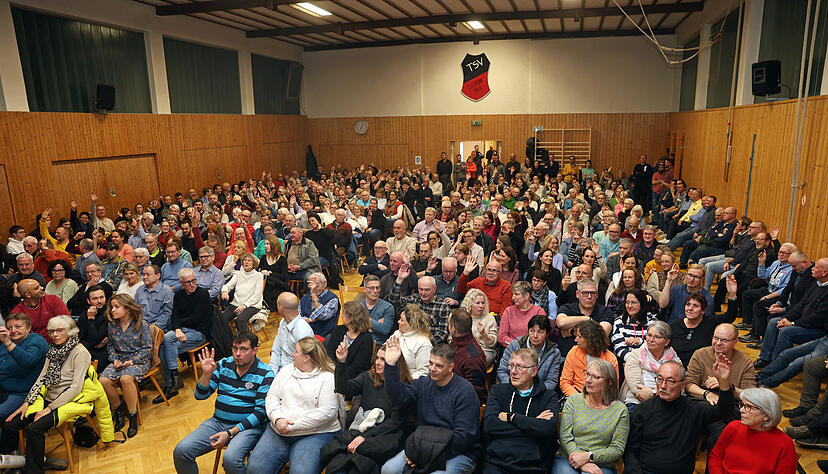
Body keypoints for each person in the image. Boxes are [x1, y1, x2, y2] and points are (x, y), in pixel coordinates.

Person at [0, 315, 114, 473]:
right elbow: (41, 378)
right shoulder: (53, 349)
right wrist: (27, 402)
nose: (55, 335)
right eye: (52, 331)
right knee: (9, 426)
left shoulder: (80, 352)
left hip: (69, 401)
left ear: (71, 331)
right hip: (48, 397)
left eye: (60, 330)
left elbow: (75, 388)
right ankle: (12, 465)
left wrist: (49, 409)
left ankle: (35, 470)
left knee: (34, 429)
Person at [173, 333, 274, 474]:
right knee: (181, 451)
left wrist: (230, 433)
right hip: (217, 422)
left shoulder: (266, 373)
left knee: (230, 459)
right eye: (235, 348)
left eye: (243, 349)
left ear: (255, 350)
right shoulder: (223, 364)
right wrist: (206, 375)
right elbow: (200, 396)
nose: (237, 354)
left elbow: (260, 413)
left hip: (247, 428)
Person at [381, 340, 480, 474]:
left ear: (450, 367)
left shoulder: (465, 391)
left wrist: (426, 457)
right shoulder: (424, 383)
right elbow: (399, 398)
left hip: (457, 452)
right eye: (431, 363)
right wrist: (391, 365)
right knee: (388, 469)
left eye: (439, 365)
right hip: (424, 444)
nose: (432, 369)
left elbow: (463, 438)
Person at [623, 357, 734, 474]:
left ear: (682, 385)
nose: (663, 386)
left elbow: (724, 411)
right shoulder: (643, 410)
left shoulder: (694, 409)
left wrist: (724, 382)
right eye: (660, 379)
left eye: (670, 381)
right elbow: (630, 451)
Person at [247, 337, 341, 474]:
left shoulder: (327, 378)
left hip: (315, 433)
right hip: (279, 430)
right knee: (255, 468)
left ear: (306, 358)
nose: (292, 353)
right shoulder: (286, 370)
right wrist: (278, 419)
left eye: (296, 351)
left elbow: (327, 412)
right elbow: (272, 397)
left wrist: (292, 426)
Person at [320, 342, 412, 473]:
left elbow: (394, 423)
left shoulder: (403, 388)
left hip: (384, 436)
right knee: (336, 465)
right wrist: (341, 362)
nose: (378, 362)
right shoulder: (368, 377)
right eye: (377, 358)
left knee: (359, 465)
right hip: (360, 430)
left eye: (383, 359)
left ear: (394, 363)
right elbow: (343, 388)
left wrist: (364, 437)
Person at [483, 347, 559, 473]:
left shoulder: (549, 397)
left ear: (533, 371)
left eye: (520, 367)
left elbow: (548, 429)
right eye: (511, 366)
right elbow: (490, 425)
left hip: (532, 465)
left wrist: (511, 418)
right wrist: (533, 423)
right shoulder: (498, 391)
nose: (513, 371)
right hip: (498, 463)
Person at [555, 359, 628, 474]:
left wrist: (589, 457)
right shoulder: (573, 401)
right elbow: (565, 437)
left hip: (601, 463)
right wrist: (580, 460)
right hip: (568, 457)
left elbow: (617, 448)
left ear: (609, 382)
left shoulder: (620, 410)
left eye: (596, 377)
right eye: (588, 374)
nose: (588, 380)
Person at [98, 294, 152, 438]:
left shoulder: (141, 324)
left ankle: (133, 415)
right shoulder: (112, 325)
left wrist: (132, 361)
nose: (112, 310)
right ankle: (119, 411)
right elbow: (110, 345)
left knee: (126, 379)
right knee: (103, 381)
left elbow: (147, 349)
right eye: (112, 307)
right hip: (119, 360)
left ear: (127, 308)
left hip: (138, 361)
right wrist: (114, 359)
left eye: (116, 307)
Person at [155, 268, 212, 403]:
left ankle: (172, 383)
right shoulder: (179, 295)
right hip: (183, 332)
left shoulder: (203, 293)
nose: (192, 284)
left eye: (194, 281)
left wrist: (178, 328)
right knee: (165, 346)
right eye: (188, 282)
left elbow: (197, 318)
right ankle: (172, 384)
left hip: (198, 333)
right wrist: (177, 329)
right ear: (181, 283)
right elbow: (174, 315)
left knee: (167, 340)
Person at [708, 388, 797, 474]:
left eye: (748, 407)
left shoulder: (784, 444)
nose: (741, 410)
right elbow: (715, 456)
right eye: (742, 405)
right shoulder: (733, 427)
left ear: (766, 415)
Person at [670, 281, 738, 367]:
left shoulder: (710, 322)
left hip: (703, 367)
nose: (690, 308)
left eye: (695, 306)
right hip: (677, 367)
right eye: (688, 305)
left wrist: (732, 294)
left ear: (703, 310)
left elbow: (730, 316)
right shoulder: (675, 325)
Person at [619, 321, 681, 409]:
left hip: (667, 402)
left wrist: (654, 392)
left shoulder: (674, 359)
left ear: (667, 342)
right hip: (636, 402)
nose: (651, 340)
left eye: (657, 337)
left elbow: (679, 387)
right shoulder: (636, 354)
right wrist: (661, 393)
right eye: (649, 335)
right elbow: (636, 387)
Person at [0, 313, 48, 421]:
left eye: (18, 327)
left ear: (29, 327)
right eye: (9, 327)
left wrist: (8, 343)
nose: (13, 330)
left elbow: (28, 361)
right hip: (3, 389)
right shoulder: (6, 343)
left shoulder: (37, 340)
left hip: (21, 393)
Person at [497, 315, 562, 392]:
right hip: (512, 389)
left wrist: (534, 392)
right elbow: (502, 371)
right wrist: (514, 387)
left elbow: (551, 381)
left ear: (546, 334)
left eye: (540, 332)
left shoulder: (554, 353)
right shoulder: (515, 345)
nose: (535, 336)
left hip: (538, 393)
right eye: (532, 331)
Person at [559, 320, 619, 398]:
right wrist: (578, 398)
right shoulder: (574, 352)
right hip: (576, 395)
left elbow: (612, 388)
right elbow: (565, 382)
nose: (575, 340)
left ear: (590, 339)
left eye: (579, 337)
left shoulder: (610, 358)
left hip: (600, 399)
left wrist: (593, 400)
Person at [324, 300, 374, 381]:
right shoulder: (338, 330)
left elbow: (358, 368)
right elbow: (329, 354)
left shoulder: (366, 338)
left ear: (352, 317)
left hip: (352, 379)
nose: (341, 316)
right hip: (332, 372)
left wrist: (339, 375)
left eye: (343, 313)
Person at [448, 308, 487, 403]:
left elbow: (474, 392)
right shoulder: (456, 341)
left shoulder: (473, 357)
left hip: (466, 402)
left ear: (453, 329)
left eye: (449, 324)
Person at [269, 292, 314, 375]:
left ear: (280, 307)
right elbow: (276, 349)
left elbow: (304, 364)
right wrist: (272, 374)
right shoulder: (283, 321)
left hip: (293, 374)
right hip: (280, 371)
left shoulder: (303, 332)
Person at [609, 289, 657, 362]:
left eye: (634, 303)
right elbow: (619, 347)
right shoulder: (619, 322)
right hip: (626, 362)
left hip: (650, 361)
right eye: (627, 302)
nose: (629, 306)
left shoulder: (653, 322)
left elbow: (655, 344)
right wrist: (633, 361)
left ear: (642, 304)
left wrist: (640, 341)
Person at [387, 304, 433, 379]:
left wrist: (404, 380)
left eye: (402, 320)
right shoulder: (397, 333)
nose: (398, 322)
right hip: (390, 374)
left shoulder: (424, 344)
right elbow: (384, 351)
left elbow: (423, 373)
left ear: (411, 324)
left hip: (409, 381)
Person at [221, 253, 264, 331]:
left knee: (240, 320)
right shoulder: (238, 274)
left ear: (254, 263)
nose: (246, 262)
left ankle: (246, 338)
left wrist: (244, 306)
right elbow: (227, 286)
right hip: (236, 303)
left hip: (252, 305)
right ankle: (226, 337)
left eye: (249, 260)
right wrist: (224, 291)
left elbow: (257, 295)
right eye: (245, 260)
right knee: (222, 318)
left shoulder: (258, 276)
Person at [498, 281, 546, 347]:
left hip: (532, 349)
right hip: (512, 349)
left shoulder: (539, 312)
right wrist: (517, 345)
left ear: (527, 295)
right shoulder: (508, 311)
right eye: (513, 294)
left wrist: (526, 347)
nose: (513, 298)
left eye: (516, 294)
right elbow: (502, 337)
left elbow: (541, 335)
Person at [460, 288, 498, 366]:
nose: (481, 306)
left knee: (472, 361)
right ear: (470, 304)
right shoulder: (464, 317)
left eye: (483, 303)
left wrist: (484, 334)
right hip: (465, 348)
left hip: (485, 350)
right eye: (477, 303)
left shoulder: (490, 318)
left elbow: (493, 344)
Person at [77, 285, 109, 368]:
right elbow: (80, 338)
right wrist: (94, 346)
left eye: (101, 297)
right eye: (95, 298)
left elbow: (97, 339)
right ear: (88, 301)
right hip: (87, 351)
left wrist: (91, 319)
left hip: (104, 353)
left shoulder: (109, 313)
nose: (99, 301)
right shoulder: (84, 315)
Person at [300, 272, 341, 338]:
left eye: (317, 286)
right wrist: (310, 319)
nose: (314, 289)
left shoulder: (333, 299)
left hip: (324, 336)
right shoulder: (304, 298)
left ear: (325, 284)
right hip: (306, 333)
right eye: (312, 286)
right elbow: (298, 317)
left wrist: (314, 295)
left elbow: (322, 315)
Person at [134, 264, 174, 331]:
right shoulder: (140, 289)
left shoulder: (166, 291)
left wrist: (153, 327)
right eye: (143, 274)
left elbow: (167, 314)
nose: (144, 277)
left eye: (148, 275)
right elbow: (135, 309)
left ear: (158, 276)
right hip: (140, 326)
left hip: (158, 329)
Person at [257, 236, 289, 309]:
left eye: (267, 244)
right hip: (265, 283)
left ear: (274, 245)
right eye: (265, 244)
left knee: (270, 282)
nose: (265, 246)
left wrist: (270, 273)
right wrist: (261, 271)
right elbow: (258, 269)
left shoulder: (282, 259)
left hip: (278, 285)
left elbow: (284, 277)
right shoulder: (263, 258)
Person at [361, 275, 394, 344]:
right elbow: (352, 330)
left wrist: (366, 320)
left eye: (377, 288)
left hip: (378, 344)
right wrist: (375, 325)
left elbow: (385, 329)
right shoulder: (357, 305)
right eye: (371, 288)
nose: (375, 291)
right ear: (364, 289)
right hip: (359, 343)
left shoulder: (388, 307)